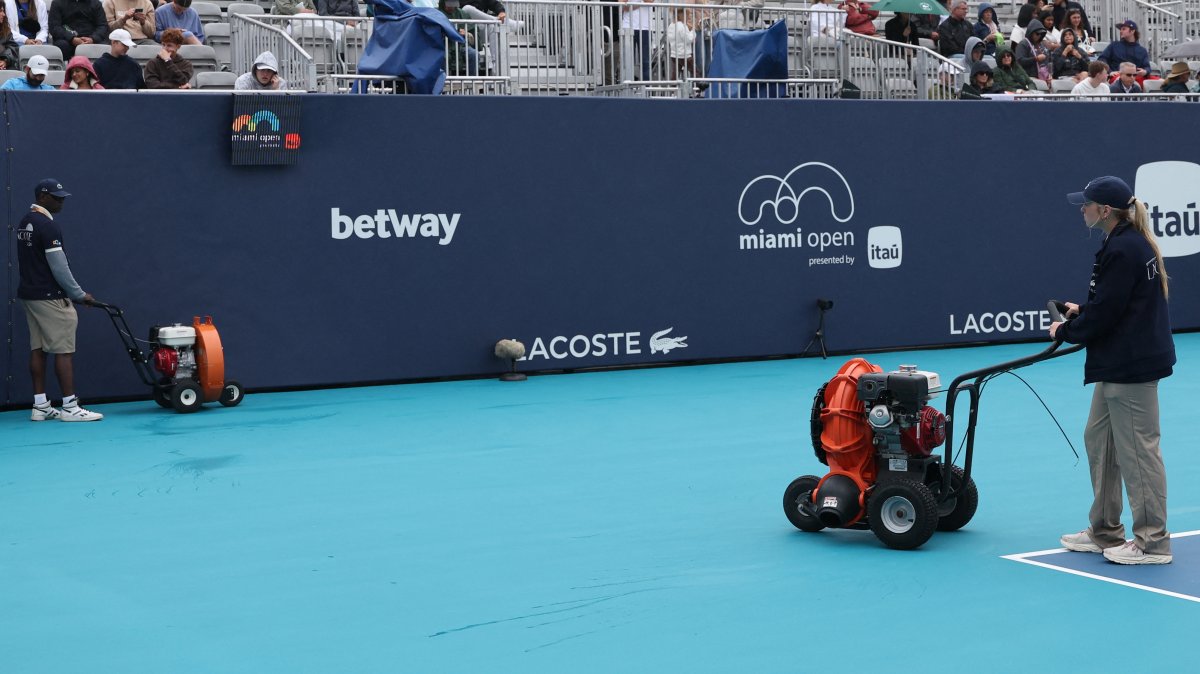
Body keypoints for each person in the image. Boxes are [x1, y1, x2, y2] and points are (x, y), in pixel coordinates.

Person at [1054, 176, 1174, 565]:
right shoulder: (1124, 244)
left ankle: (1153, 542)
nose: (1081, 209)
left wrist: (1067, 328)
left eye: (1086, 204)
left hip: (1131, 367)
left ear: (1105, 211)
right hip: (1118, 363)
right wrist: (1082, 311)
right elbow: (1115, 304)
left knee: (1138, 451)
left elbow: (1108, 314)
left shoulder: (1124, 249)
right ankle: (1105, 530)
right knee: (1100, 439)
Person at [15, 179, 104, 422]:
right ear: (42, 197)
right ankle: (70, 407)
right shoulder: (48, 227)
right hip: (50, 298)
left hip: (29, 296)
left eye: (62, 196)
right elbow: (60, 268)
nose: (61, 200)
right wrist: (78, 295)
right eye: (56, 197)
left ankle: (40, 406)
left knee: (39, 348)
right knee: (63, 351)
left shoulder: (26, 222)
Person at [619, 0, 653, 81]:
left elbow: (650, 1)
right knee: (627, 62)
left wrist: (632, 4)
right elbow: (623, 6)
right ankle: (627, 89)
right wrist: (641, 4)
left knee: (645, 62)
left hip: (645, 28)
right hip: (628, 27)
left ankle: (646, 90)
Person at [1016, 18, 1050, 83]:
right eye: (1037, 34)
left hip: (1044, 77)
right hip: (1029, 77)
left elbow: (1048, 62)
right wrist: (1036, 59)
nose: (1039, 36)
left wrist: (1049, 74)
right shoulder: (1023, 44)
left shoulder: (1041, 44)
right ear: (1031, 32)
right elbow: (1020, 61)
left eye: (1041, 34)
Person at [664, 6, 694, 80]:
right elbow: (688, 39)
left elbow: (669, 38)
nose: (688, 17)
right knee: (695, 71)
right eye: (687, 15)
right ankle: (701, 86)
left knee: (675, 74)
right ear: (682, 16)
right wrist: (693, 32)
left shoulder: (671, 25)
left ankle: (672, 89)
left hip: (674, 54)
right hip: (684, 55)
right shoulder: (682, 26)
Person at [0, 3, 18, 69]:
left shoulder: (6, 31)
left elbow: (13, 49)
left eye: (3, 11)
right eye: (0, 11)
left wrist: (5, 61)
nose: (3, 14)